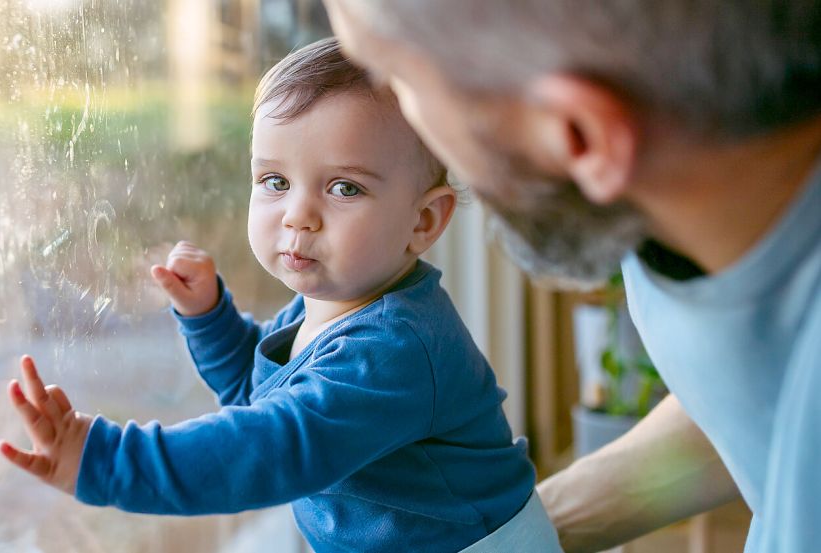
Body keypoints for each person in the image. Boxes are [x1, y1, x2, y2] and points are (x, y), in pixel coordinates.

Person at [0, 37, 561, 552]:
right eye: (275, 181)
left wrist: (108, 461)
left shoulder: (396, 350)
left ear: (423, 221)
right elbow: (259, 394)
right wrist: (210, 317)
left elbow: (267, 449)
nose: (298, 216)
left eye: (344, 187)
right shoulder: (334, 302)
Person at [322, 1, 821, 551]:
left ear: (579, 135)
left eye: (400, 79)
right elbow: (741, 399)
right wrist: (513, 535)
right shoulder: (710, 185)